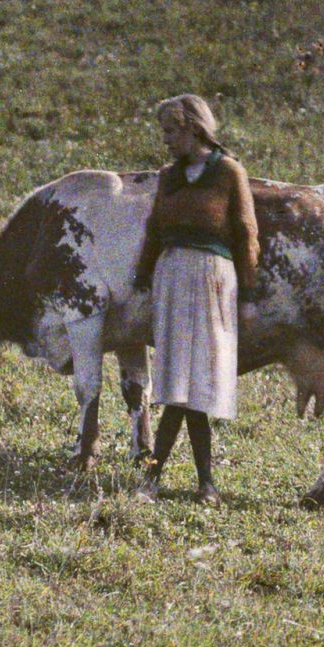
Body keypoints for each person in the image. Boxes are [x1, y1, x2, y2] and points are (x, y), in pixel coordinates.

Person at [132, 94, 259, 504]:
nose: (166, 140)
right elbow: (154, 228)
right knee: (174, 384)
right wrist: (143, 274)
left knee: (197, 385)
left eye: (171, 131)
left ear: (192, 128)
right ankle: (201, 485)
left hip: (211, 278)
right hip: (172, 276)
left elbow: (245, 231)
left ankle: (168, 481)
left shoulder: (229, 172)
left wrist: (249, 288)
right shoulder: (169, 176)